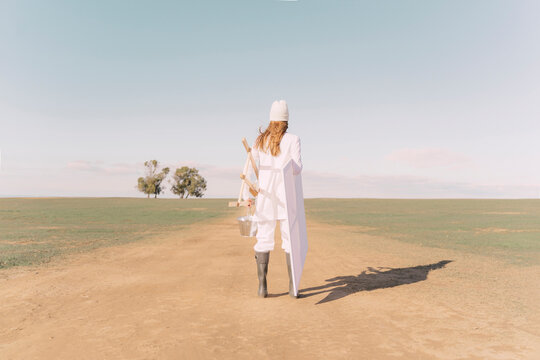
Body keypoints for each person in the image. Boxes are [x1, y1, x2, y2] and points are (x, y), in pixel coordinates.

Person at [244, 99, 303, 298]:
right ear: (286, 120)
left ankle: (262, 288)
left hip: (266, 198)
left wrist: (248, 195)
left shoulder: (259, 141)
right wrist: (285, 164)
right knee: (289, 240)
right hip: (286, 198)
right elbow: (297, 168)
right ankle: (293, 287)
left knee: (263, 239)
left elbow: (250, 168)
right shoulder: (293, 139)